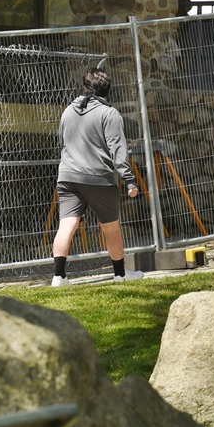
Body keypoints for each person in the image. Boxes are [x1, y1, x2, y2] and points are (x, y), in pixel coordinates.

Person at [51, 67, 144, 286]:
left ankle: (58, 277)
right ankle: (120, 274)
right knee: (111, 228)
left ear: (84, 86)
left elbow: (62, 142)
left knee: (66, 226)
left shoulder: (68, 111)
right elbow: (118, 150)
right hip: (98, 178)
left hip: (68, 176)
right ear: (107, 89)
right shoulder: (109, 113)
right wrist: (130, 180)